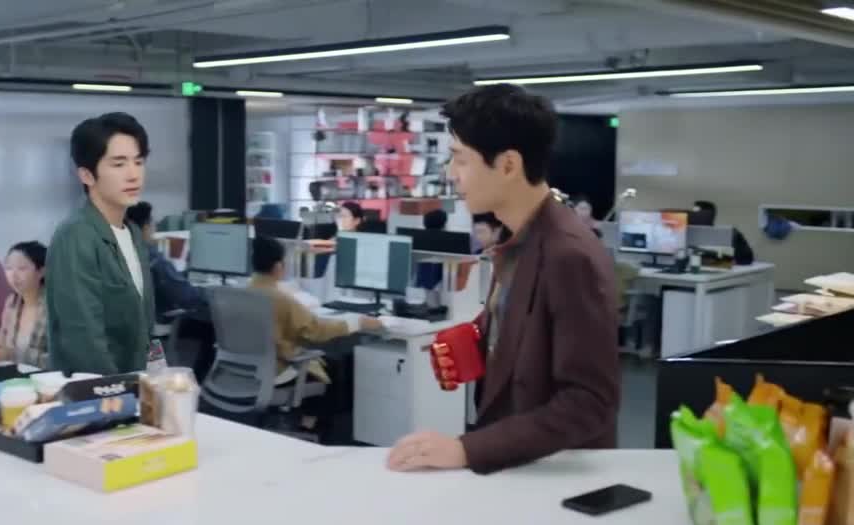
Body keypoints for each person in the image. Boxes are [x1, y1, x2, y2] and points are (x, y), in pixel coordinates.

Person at [386, 84, 620, 475]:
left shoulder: (568, 254)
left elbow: (589, 402)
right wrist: (479, 339)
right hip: (520, 464)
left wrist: (467, 449)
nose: (451, 174)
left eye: (460, 159)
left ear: (508, 165)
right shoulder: (520, 240)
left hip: (555, 476)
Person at [47, 113, 157, 376]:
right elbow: (84, 340)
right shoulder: (76, 235)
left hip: (136, 384)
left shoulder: (131, 232)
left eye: (138, 162)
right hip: (98, 391)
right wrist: (118, 392)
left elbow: (143, 327)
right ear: (87, 175)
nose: (133, 175)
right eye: (118, 164)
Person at [249, 236, 384, 433]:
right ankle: (311, 427)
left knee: (322, 359)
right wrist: (357, 322)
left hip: (247, 370)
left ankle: (302, 421)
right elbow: (317, 331)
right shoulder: (280, 299)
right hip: (277, 370)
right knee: (333, 367)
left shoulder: (242, 292)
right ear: (278, 266)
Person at [126, 201, 217, 379]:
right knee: (210, 325)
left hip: (135, 325)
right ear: (145, 228)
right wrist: (214, 294)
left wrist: (179, 276)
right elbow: (187, 297)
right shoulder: (153, 259)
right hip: (159, 322)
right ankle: (197, 381)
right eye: (152, 224)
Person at [0, 241, 49, 369]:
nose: (13, 275)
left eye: (22, 268)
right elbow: (2, 337)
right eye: (8, 268)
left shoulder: (54, 305)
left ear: (41, 271)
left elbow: (61, 359)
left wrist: (11, 356)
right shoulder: (12, 302)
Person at [691, 200, 755, 265]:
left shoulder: (729, 234)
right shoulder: (689, 234)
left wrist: (729, 261)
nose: (693, 217)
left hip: (721, 269)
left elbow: (747, 258)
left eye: (697, 215)